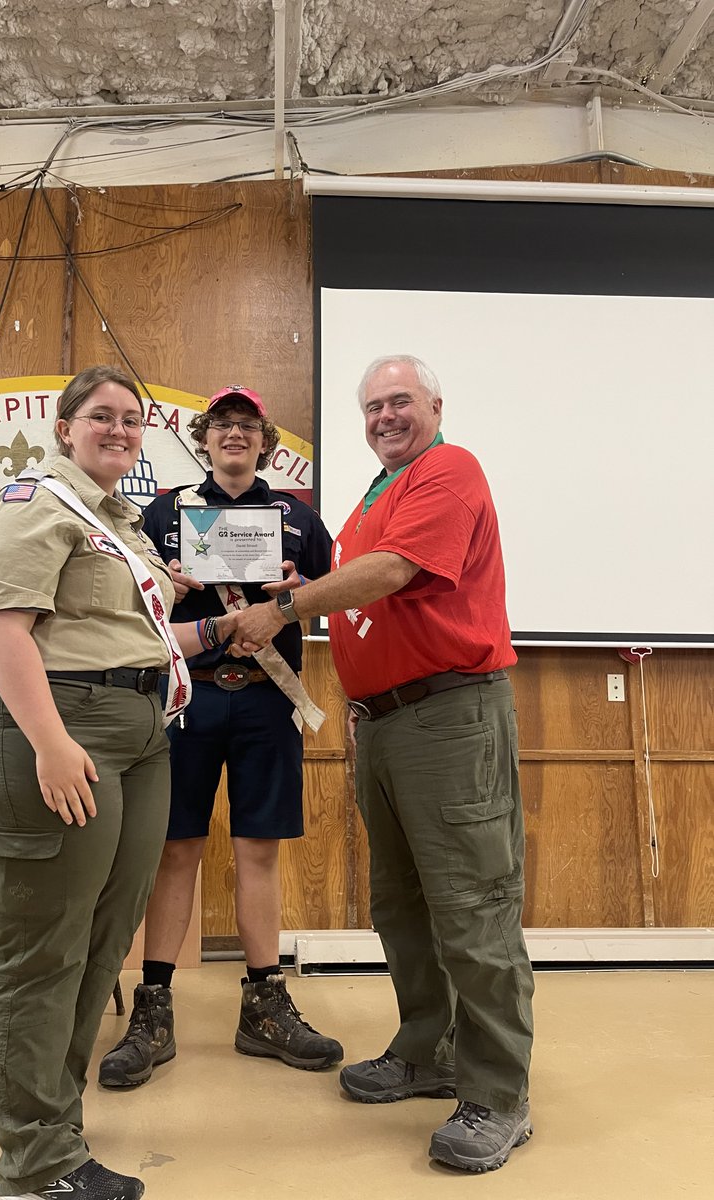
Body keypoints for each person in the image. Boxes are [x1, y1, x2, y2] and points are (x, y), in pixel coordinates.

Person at [228, 356, 535, 1174]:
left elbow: (395, 573)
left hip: (450, 714)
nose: (384, 416)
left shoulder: (448, 469)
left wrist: (285, 604)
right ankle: (427, 1051)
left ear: (436, 404)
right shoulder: (373, 494)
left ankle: (498, 1093)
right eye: (372, 406)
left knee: (473, 906)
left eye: (400, 401)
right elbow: (365, 588)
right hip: (387, 724)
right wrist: (313, 583)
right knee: (402, 907)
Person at [0, 365, 236, 1200]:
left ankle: (54, 1119)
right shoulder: (35, 499)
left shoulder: (120, 524)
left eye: (133, 421)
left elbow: (132, 636)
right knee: (43, 947)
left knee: (103, 940)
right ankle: (33, 1164)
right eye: (102, 416)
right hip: (52, 723)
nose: (119, 429)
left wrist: (220, 625)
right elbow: (3, 625)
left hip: (139, 731)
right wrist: (49, 741)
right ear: (66, 427)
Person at [97, 384, 343, 1090]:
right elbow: (126, 603)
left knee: (257, 852)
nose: (235, 435)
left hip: (268, 701)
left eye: (248, 426)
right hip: (190, 699)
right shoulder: (164, 512)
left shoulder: (298, 517)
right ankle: (153, 1011)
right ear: (204, 437)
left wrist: (298, 589)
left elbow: (326, 600)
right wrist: (165, 586)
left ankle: (264, 1005)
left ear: (265, 441)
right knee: (175, 852)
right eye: (223, 425)